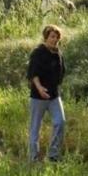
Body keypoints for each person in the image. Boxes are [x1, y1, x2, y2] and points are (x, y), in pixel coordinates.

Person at [27, 24, 67, 162]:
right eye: (52, 37)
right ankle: (33, 158)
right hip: (38, 96)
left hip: (54, 95)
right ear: (46, 37)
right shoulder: (38, 52)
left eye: (57, 37)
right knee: (35, 127)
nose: (54, 40)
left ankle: (53, 155)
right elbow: (33, 73)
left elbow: (61, 72)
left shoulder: (58, 53)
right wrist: (39, 88)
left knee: (60, 122)